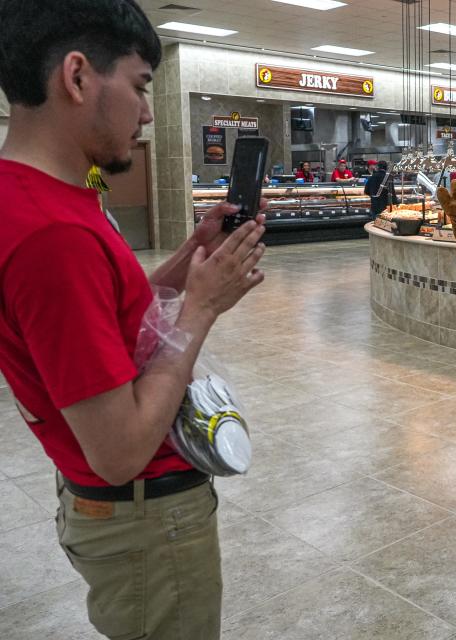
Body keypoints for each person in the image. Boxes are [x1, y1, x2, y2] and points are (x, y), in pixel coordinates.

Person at [0, 2, 267, 638]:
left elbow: (106, 315)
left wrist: (186, 263)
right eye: (141, 86)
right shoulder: (53, 233)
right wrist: (201, 306)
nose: (148, 112)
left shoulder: (41, 199)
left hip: (128, 512)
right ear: (77, 76)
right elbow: (119, 449)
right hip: (145, 516)